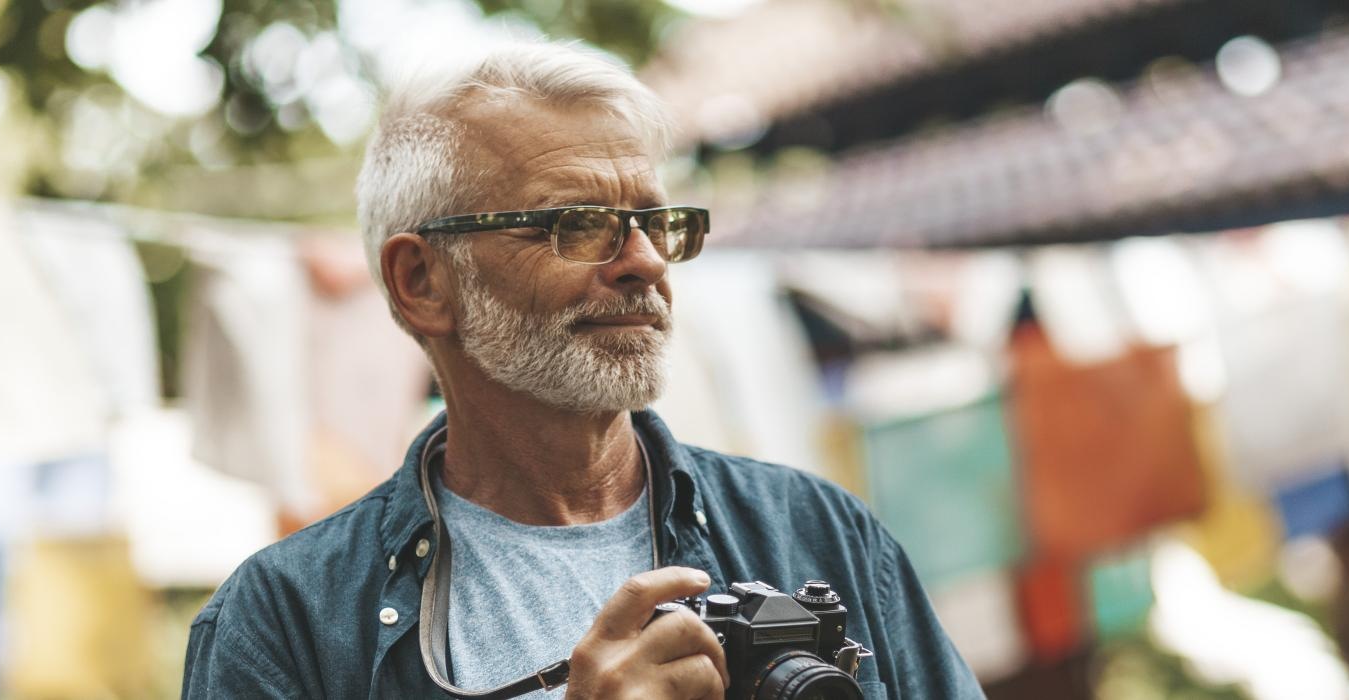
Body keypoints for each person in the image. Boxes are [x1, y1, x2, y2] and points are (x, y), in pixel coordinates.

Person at [181, 40, 982, 700]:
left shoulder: (821, 535)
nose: (643, 263)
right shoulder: (282, 624)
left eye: (655, 224)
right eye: (578, 225)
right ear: (422, 283)